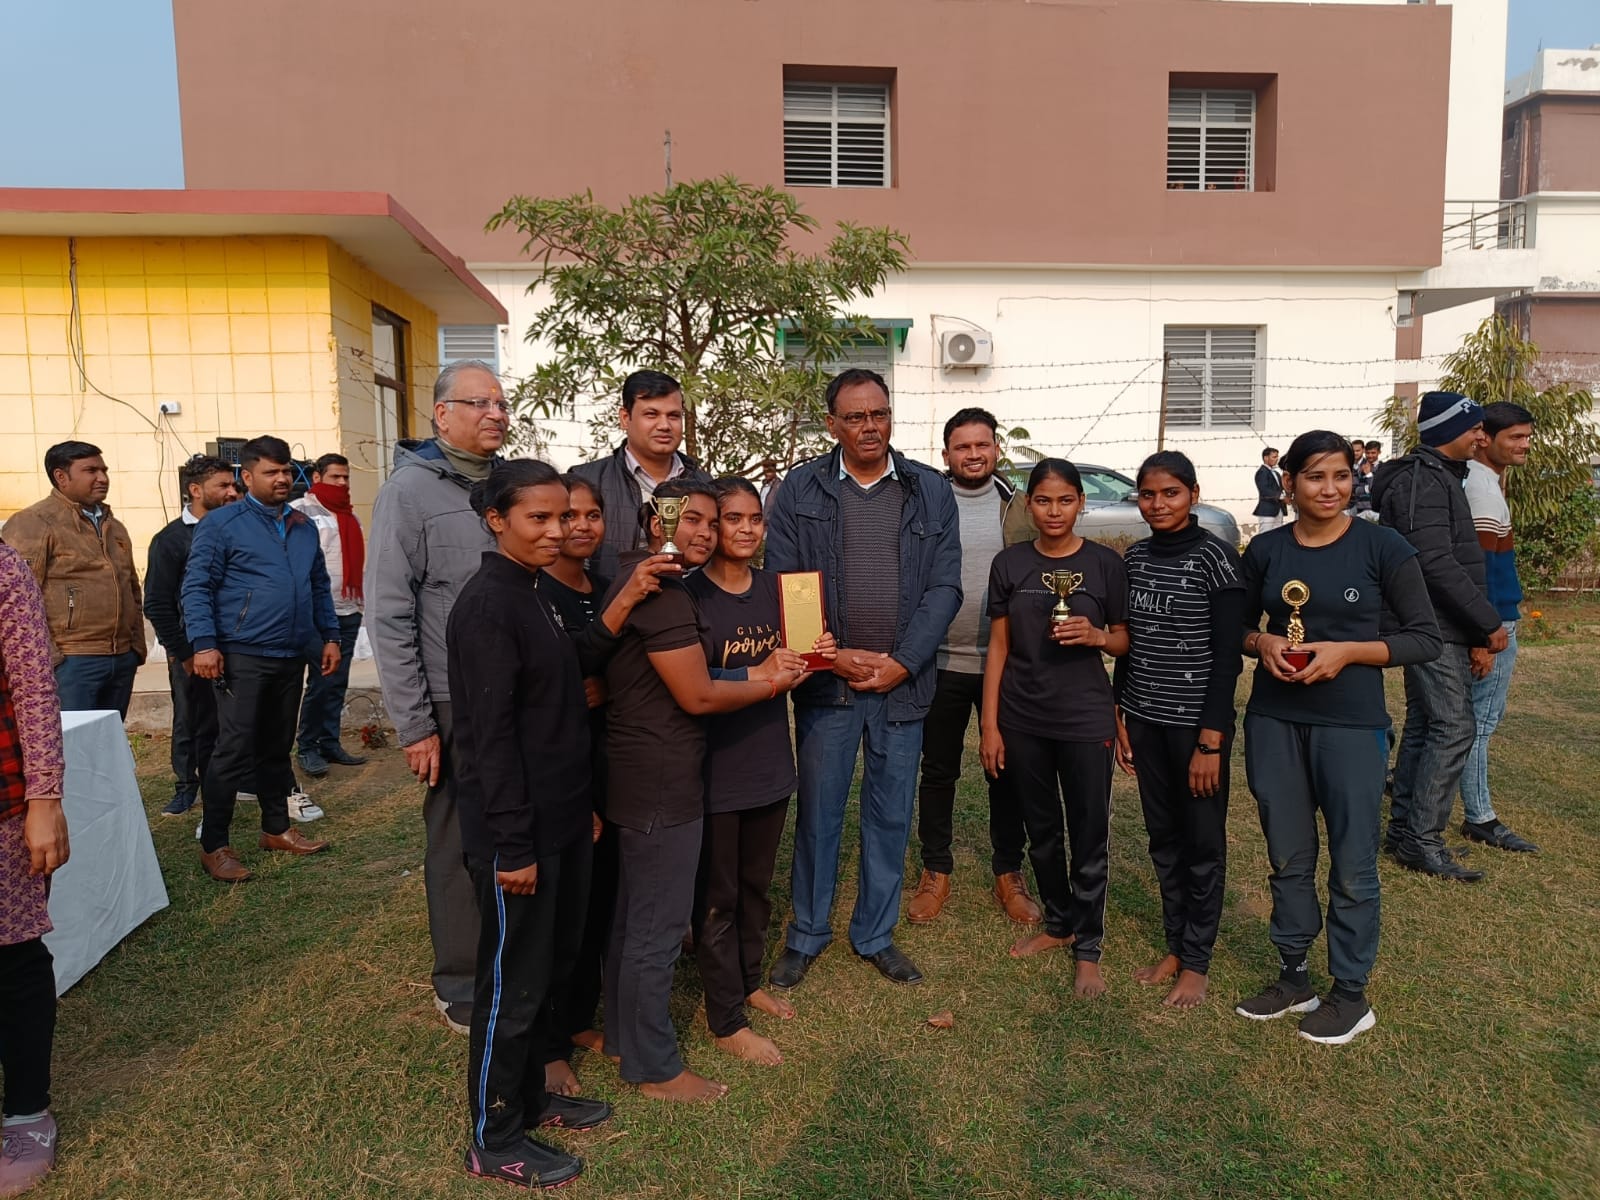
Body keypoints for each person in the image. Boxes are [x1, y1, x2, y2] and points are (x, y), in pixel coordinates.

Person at [602, 479, 806, 1102]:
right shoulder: (669, 590)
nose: (712, 532)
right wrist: (767, 680)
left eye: (712, 521)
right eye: (695, 519)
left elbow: (620, 661)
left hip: (687, 770)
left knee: (656, 918)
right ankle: (670, 1055)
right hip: (672, 776)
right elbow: (696, 692)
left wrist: (799, 660)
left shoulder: (652, 584)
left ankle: (634, 1037)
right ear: (655, 519)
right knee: (667, 924)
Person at [1235, 430, 1440, 1045]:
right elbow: (1237, 628)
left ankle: (1350, 993)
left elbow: (1424, 638)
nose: (1330, 489)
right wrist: (1263, 642)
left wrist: (1348, 651)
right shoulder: (1266, 550)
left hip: (1351, 725)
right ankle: (1294, 976)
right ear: (1289, 482)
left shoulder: (1383, 546)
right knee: (1287, 856)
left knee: (1352, 863)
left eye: (1342, 476)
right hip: (1274, 721)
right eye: (1316, 477)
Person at [764, 368, 962, 991]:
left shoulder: (930, 489)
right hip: (829, 686)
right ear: (832, 425)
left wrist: (904, 660)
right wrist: (834, 655)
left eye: (879, 413)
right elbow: (787, 583)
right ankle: (807, 932)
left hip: (902, 684)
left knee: (890, 813)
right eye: (855, 417)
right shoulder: (799, 490)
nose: (870, 426)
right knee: (819, 812)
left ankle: (875, 934)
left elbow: (945, 586)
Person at [446, 460, 615, 1189]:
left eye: (563, 515)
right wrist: (514, 845)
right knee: (511, 987)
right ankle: (494, 1137)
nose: (556, 530)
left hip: (562, 820)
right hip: (518, 838)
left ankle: (533, 1098)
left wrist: (578, 809)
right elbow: (490, 742)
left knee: (548, 971)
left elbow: (554, 707)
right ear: (497, 520)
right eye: (538, 518)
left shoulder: (535, 591)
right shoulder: (489, 605)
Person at [367, 358, 508, 1034]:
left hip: (518, 692)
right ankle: (460, 980)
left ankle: (513, 958)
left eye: (501, 403)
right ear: (441, 414)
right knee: (456, 839)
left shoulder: (510, 483)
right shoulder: (410, 491)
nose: (494, 414)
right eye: (479, 403)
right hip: (453, 698)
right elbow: (388, 611)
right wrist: (416, 723)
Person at [688, 477, 835, 1067]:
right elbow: (685, 682)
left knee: (755, 888)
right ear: (711, 526)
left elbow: (795, 668)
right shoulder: (689, 594)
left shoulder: (783, 589)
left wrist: (814, 654)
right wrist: (760, 670)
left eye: (755, 518)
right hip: (713, 769)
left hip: (769, 763)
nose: (747, 529)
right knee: (717, 897)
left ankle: (747, 982)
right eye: (733, 518)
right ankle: (724, 1018)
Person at [980, 459, 1128, 999]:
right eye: (1043, 501)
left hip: (1085, 718)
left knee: (1088, 832)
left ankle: (1088, 946)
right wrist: (990, 725)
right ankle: (1059, 922)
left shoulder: (1105, 563)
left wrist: (1097, 636)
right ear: (1029, 505)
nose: (1054, 511)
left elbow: (1123, 640)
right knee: (1041, 829)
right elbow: (999, 647)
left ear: (1081, 503)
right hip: (1023, 717)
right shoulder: (1010, 564)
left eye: (1065, 500)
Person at [1113, 451, 1243, 1010]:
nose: (1158, 504)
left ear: (1193, 493)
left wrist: (1211, 740)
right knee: (1163, 839)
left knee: (1202, 844)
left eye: (1170, 493)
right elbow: (1129, 642)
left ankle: (1196, 962)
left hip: (1196, 729)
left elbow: (1227, 659)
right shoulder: (1135, 558)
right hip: (1145, 720)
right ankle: (1174, 944)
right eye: (1148, 494)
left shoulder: (1217, 559)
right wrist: (1120, 712)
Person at [182, 436, 338, 882]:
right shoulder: (222, 524)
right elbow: (197, 586)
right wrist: (204, 643)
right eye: (271, 472)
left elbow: (318, 585)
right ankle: (215, 845)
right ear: (247, 477)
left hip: (292, 652)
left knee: (276, 746)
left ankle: (276, 828)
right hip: (243, 652)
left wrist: (329, 635)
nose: (282, 478)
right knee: (232, 750)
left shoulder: (303, 526)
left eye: (286, 470)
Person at [907, 408, 1040, 927]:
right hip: (939, 660)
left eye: (982, 445)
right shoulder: (924, 502)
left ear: (996, 449)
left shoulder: (1019, 506)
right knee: (938, 769)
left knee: (1005, 769)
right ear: (946, 454)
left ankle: (1009, 870)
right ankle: (935, 868)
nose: (973, 454)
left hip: (1004, 662)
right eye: (962, 447)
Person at [1372, 391, 1506, 882]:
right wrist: (1486, 621)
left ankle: (1407, 832)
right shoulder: (1424, 481)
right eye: (1474, 428)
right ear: (1448, 431)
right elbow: (1433, 561)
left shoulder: (1441, 477)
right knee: (1454, 726)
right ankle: (1423, 840)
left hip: (1439, 621)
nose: (1481, 438)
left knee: (1428, 724)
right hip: (1431, 623)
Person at [0, 540, 67, 1197]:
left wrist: (44, 799)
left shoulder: (2, 565)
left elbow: (34, 688)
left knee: (12, 954)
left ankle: (25, 1111)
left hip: (2, 800)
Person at [3, 441, 145, 716]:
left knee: (107, 739)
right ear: (61, 476)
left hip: (121, 658)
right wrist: (50, 657)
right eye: (91, 470)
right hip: (71, 660)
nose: (102, 478)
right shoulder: (34, 522)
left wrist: (135, 647)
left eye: (104, 470)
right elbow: (16, 599)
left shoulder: (114, 526)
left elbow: (132, 589)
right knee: (71, 740)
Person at [1458, 403, 1539, 853]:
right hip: (1493, 623)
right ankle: (1480, 816)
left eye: (1527, 437)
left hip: (1490, 621)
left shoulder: (1481, 481)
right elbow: (1480, 572)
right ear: (1485, 438)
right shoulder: (1483, 490)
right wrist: (1483, 636)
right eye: (1515, 437)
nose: (1524, 445)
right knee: (1479, 722)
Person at [145, 454, 237, 818]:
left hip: (234, 645)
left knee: (231, 719)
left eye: (234, 485)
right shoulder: (170, 540)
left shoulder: (238, 529)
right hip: (191, 650)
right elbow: (157, 602)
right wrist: (183, 652)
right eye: (223, 486)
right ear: (195, 490)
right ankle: (186, 786)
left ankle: (234, 780)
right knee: (191, 719)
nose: (232, 492)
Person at [568, 370, 712, 581]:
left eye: (673, 416)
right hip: (607, 599)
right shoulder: (587, 481)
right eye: (651, 414)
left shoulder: (705, 484)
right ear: (625, 418)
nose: (664, 426)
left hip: (689, 600)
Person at [291, 453, 368, 777]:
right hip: (317, 614)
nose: (342, 483)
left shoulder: (351, 516)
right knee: (321, 682)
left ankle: (329, 742)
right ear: (317, 477)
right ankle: (307, 746)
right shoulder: (299, 511)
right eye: (335, 477)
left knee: (337, 683)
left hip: (349, 609)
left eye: (346, 477)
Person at [1252, 447, 1287, 534]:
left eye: (1277, 457)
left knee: (1278, 534)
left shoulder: (1276, 473)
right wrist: (1282, 497)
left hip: (1278, 509)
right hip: (1267, 509)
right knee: (1265, 534)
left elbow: (1281, 488)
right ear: (1266, 458)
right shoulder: (1262, 472)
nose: (1277, 459)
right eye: (1274, 457)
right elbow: (1264, 490)